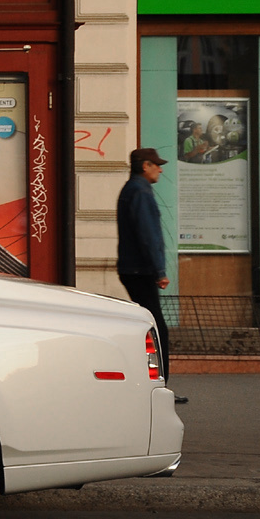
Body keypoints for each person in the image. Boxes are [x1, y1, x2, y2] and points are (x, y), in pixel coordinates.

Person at [116, 146, 185, 401]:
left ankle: (151, 384)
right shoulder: (140, 192)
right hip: (140, 269)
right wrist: (159, 271)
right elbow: (148, 235)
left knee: (147, 326)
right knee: (157, 329)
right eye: (156, 164)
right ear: (145, 166)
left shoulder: (132, 189)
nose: (161, 169)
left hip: (134, 268)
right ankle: (159, 388)